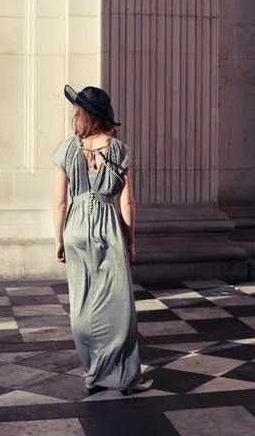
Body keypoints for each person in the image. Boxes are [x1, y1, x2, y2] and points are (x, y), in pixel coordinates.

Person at [52, 84, 152, 397]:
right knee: (119, 303)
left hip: (76, 228)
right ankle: (120, 375)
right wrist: (131, 240)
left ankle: (93, 373)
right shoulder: (118, 149)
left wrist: (59, 240)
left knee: (82, 302)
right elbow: (128, 204)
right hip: (107, 227)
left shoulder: (67, 149)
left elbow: (59, 202)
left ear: (83, 114)